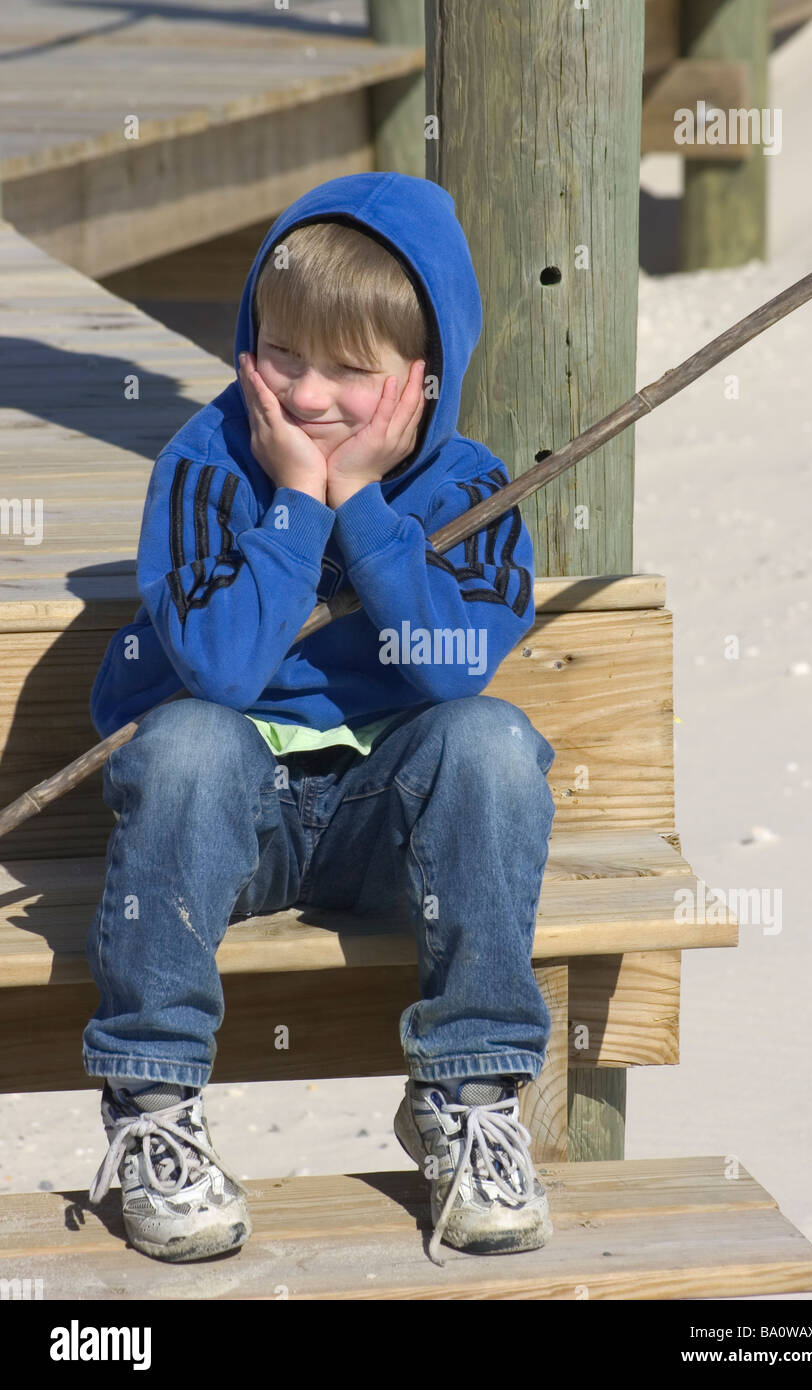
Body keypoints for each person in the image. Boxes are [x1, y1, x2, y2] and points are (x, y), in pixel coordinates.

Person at [84, 172, 557, 1269]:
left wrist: (369, 512)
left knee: (491, 742)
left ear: (424, 381)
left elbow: (448, 668)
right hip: (232, 828)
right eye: (282, 355)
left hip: (394, 828)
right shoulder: (207, 468)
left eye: (350, 371)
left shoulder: (471, 491)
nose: (306, 396)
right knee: (186, 742)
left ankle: (469, 1097)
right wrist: (297, 503)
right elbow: (222, 667)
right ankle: (152, 1106)